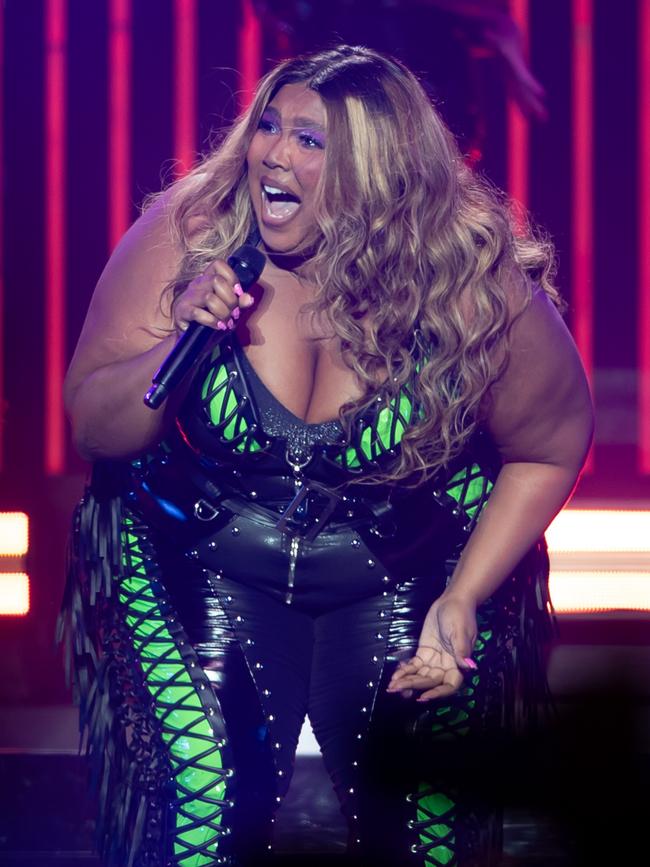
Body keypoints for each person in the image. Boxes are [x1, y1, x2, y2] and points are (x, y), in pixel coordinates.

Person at [59, 45, 593, 867]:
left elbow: (551, 445)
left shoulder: (466, 276)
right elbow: (94, 427)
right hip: (207, 558)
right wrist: (186, 344)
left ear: (377, 169)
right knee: (203, 815)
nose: (273, 152)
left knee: (423, 833)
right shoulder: (193, 233)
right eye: (269, 125)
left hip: (398, 567)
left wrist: (463, 596)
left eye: (310, 140)